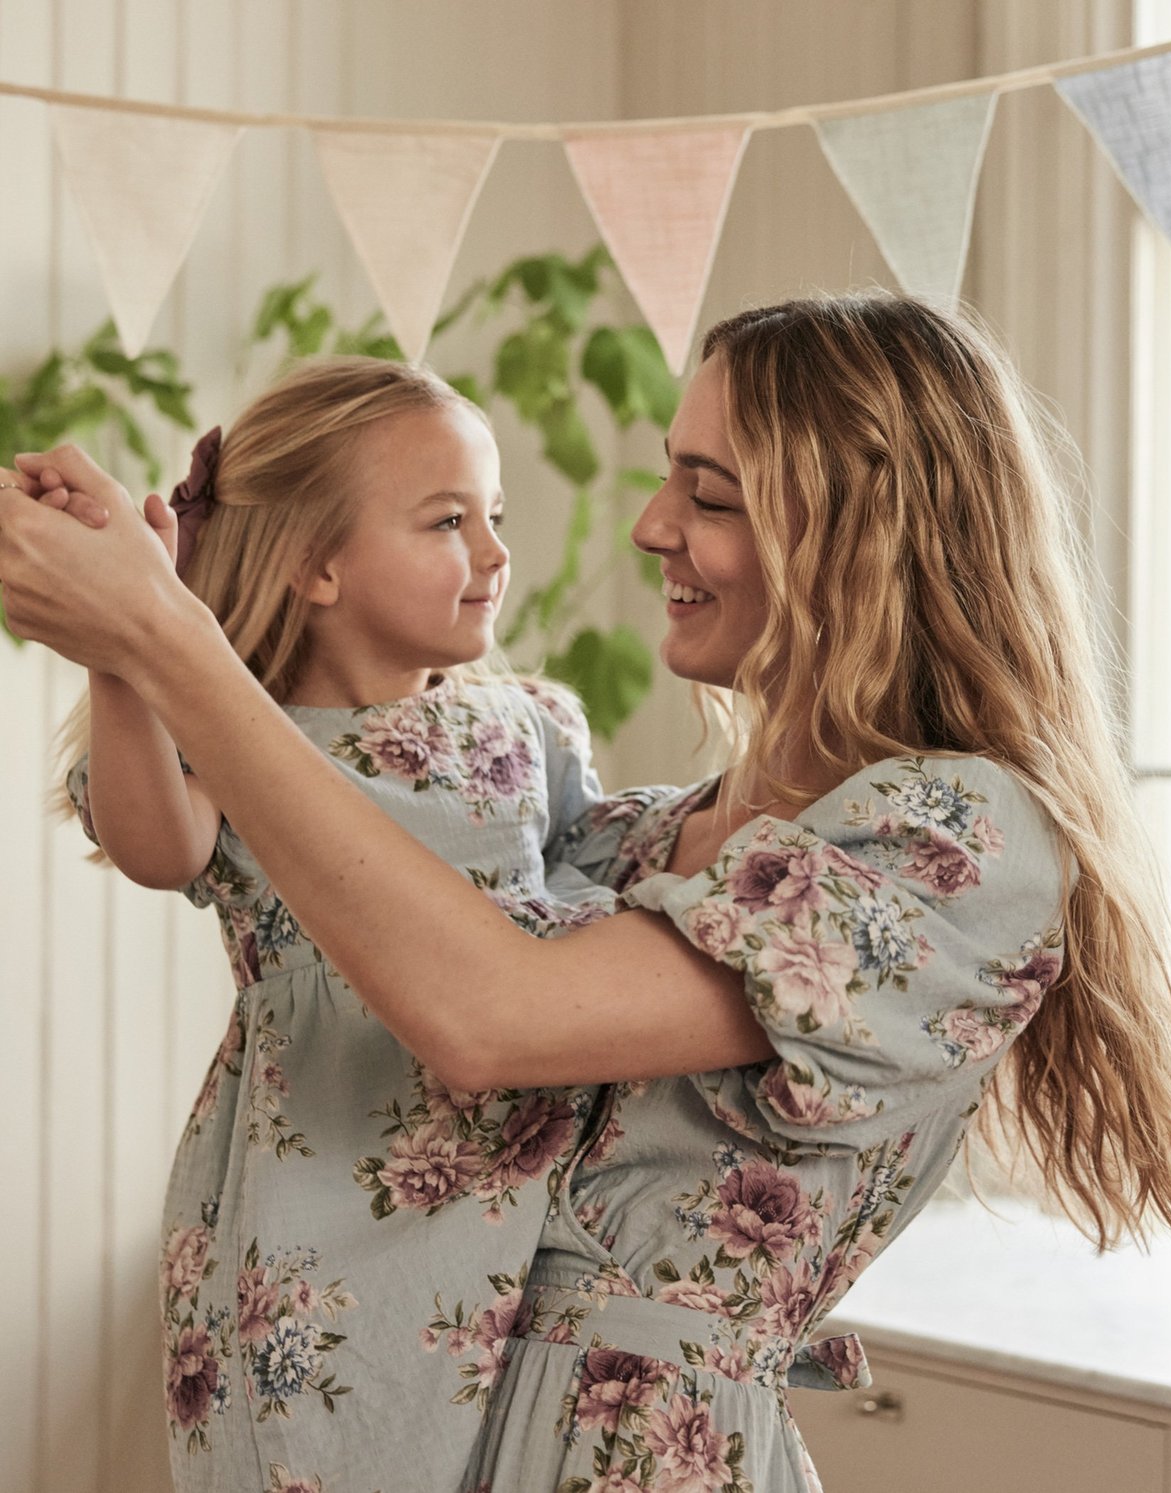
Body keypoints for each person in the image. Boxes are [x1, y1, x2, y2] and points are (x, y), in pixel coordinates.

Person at [0, 291, 1171, 1493]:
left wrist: (164, 638)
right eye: (665, 478)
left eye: (708, 495)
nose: (648, 526)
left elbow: (490, 1017)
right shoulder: (622, 841)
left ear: (856, 534)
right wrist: (156, 647)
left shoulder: (954, 837)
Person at [22, 356, 632, 1493]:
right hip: (321, 1209)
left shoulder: (532, 723)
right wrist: (128, 645)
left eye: (493, 515)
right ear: (315, 562)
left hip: (528, 1210)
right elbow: (159, 849)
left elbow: (603, 900)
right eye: (447, 521)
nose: (495, 554)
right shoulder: (238, 745)